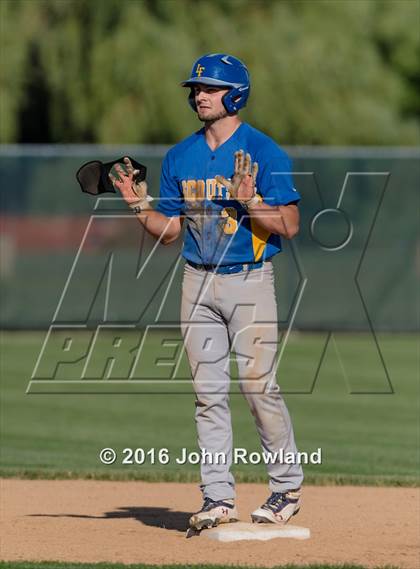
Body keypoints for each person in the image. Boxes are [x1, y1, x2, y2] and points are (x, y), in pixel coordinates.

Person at [109, 53, 304, 532]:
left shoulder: (263, 151)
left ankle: (286, 488)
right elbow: (170, 232)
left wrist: (249, 199)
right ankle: (218, 497)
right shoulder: (181, 156)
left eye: (210, 88)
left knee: (259, 387)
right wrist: (139, 206)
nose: (199, 94)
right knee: (207, 394)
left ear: (234, 94)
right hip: (196, 280)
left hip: (250, 279)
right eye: (196, 88)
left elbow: (291, 226)